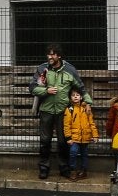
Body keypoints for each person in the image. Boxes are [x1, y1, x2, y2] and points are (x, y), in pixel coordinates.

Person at [31, 46, 81, 180]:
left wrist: (86, 102)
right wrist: (45, 91)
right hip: (46, 110)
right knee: (44, 141)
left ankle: (64, 168)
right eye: (48, 54)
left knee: (63, 141)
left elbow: (79, 87)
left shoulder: (70, 69)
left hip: (63, 111)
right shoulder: (42, 69)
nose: (49, 57)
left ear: (59, 56)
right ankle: (43, 168)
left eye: (52, 55)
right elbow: (32, 88)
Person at [61, 88, 98, 181]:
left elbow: (91, 123)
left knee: (84, 154)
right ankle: (73, 171)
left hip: (85, 137)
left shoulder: (86, 108)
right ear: (70, 98)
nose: (75, 97)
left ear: (81, 97)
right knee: (73, 153)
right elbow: (66, 125)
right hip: (74, 138)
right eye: (73, 95)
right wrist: (68, 138)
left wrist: (95, 135)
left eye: (77, 95)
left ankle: (83, 171)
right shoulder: (69, 109)